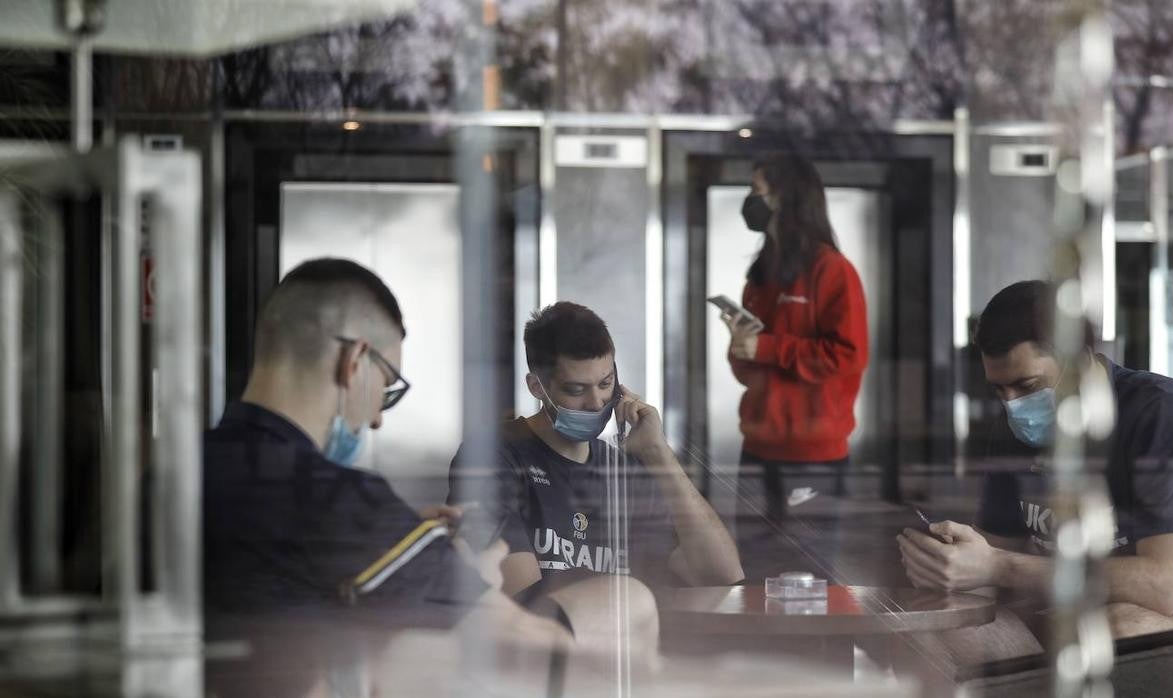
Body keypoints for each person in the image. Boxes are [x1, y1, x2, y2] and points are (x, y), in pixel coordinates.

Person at [203, 258, 657, 657]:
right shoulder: (334, 501)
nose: (376, 421)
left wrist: (409, 543)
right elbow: (529, 643)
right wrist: (468, 576)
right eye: (387, 389)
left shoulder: (181, 473)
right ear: (355, 361)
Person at [898, 280, 1173, 639]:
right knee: (950, 628)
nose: (1012, 404)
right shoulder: (1013, 430)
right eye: (999, 390)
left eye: (1028, 386)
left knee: (1120, 627)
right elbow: (991, 561)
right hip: (1083, 613)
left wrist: (999, 567)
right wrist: (950, 566)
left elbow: (1161, 588)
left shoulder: (1166, 415)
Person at [448, 301, 744, 596]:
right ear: (537, 387)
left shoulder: (626, 468)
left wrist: (659, 454)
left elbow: (722, 575)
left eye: (606, 383)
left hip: (627, 637)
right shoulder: (496, 457)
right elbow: (522, 600)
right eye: (576, 390)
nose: (596, 402)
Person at [723, 154, 868, 521]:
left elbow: (848, 356)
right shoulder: (761, 275)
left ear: (785, 198)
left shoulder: (832, 270)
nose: (749, 200)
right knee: (751, 568)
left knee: (810, 573)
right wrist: (741, 345)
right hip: (757, 447)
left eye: (756, 190)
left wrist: (767, 347)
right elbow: (747, 373)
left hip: (812, 456)